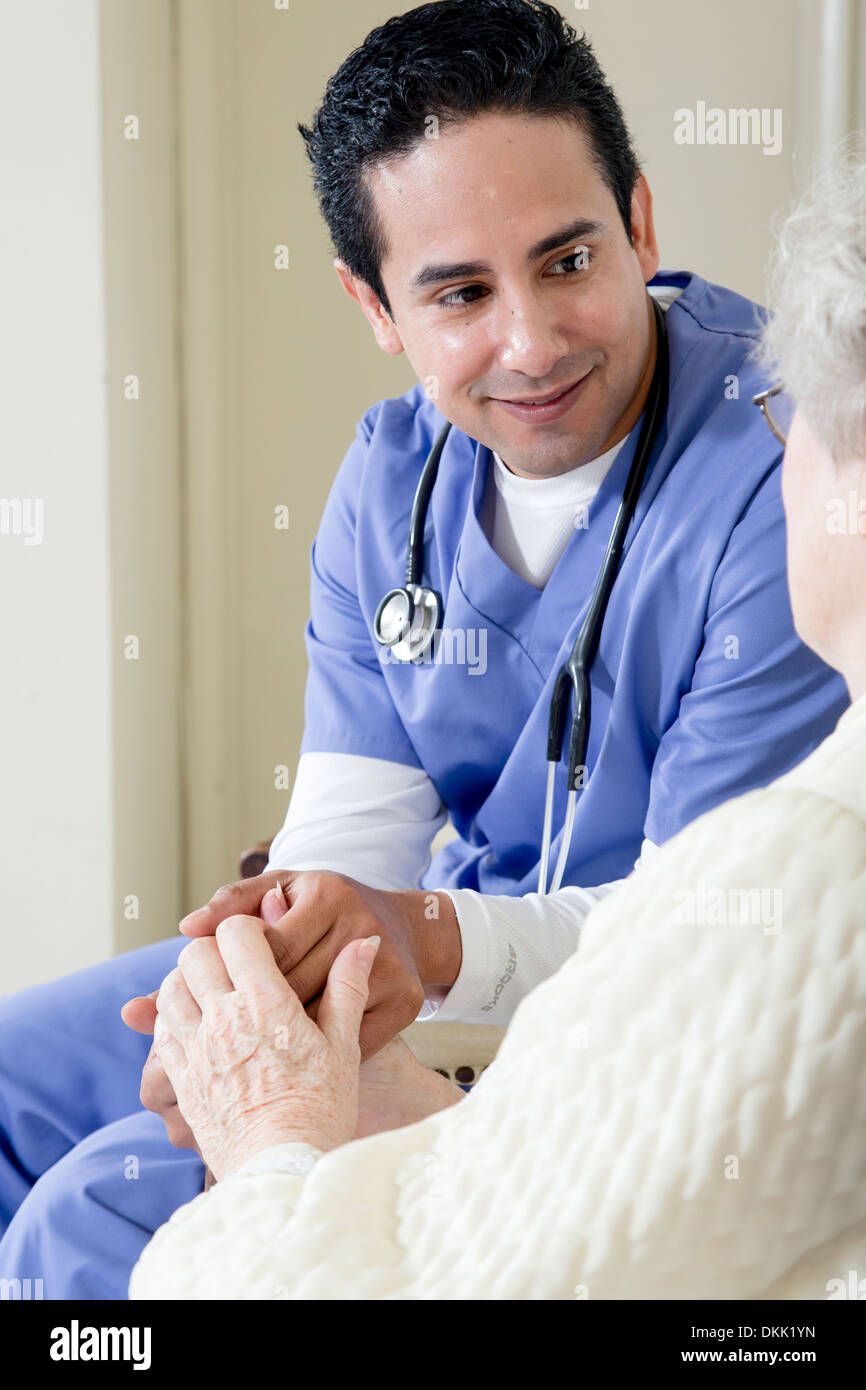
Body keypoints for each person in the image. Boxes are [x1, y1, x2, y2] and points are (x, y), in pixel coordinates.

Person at [0, 0, 849, 1299]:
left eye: (567, 261)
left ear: (640, 220)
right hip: (419, 964)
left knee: (92, 1209)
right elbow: (346, 841)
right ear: (373, 303)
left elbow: (712, 942)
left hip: (599, 1005)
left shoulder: (787, 472)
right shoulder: (389, 481)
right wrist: (263, 981)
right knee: (17, 1074)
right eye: (457, 292)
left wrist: (424, 947)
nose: (530, 340)